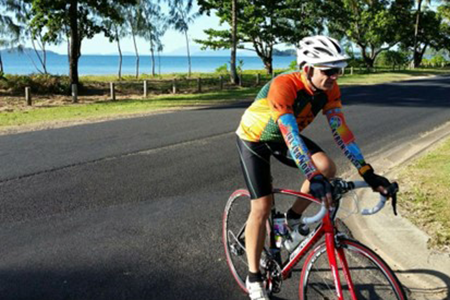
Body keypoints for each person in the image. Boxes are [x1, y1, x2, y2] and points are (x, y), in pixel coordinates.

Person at [235, 35, 394, 300]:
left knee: (327, 168)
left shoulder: (330, 88)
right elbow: (291, 136)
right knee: (261, 207)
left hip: (285, 136)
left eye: (338, 70)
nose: (334, 76)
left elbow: (341, 131)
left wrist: (368, 171)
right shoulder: (284, 85)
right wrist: (313, 177)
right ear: (307, 68)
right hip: (255, 138)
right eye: (328, 70)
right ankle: (253, 277)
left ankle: (292, 218)